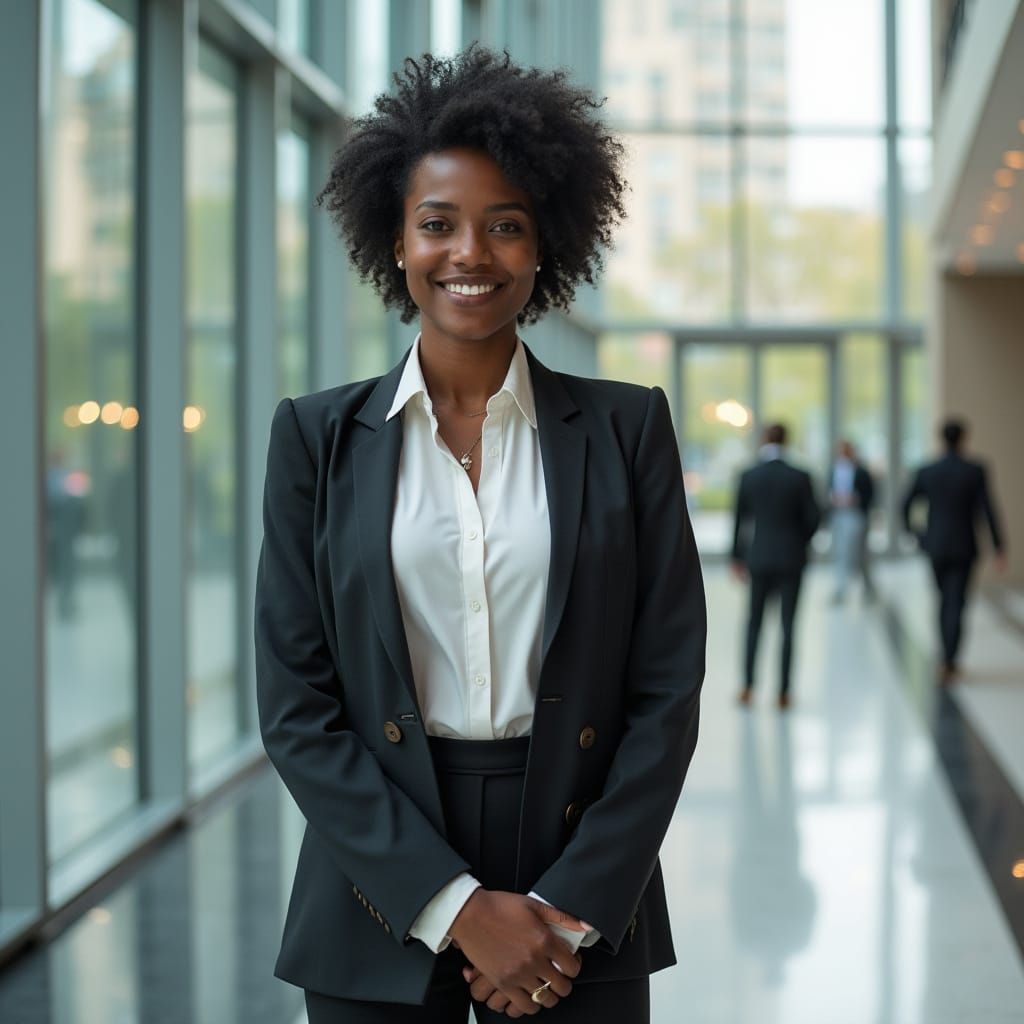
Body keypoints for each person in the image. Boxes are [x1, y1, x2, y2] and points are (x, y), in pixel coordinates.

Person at [255, 48, 706, 1023]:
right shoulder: (314, 439)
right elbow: (296, 706)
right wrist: (456, 908)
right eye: (437, 224)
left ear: (546, 245)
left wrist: (567, 911)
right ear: (396, 241)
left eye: (506, 225)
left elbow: (666, 689)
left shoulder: (627, 427)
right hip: (376, 872)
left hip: (580, 870)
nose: (471, 253)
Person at [902, 418, 1006, 683]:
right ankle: (950, 659)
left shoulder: (928, 470)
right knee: (956, 602)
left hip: (936, 545)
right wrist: (999, 546)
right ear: (963, 438)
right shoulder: (974, 470)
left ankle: (945, 657)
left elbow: (905, 505)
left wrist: (917, 536)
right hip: (964, 546)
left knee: (943, 600)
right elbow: (988, 509)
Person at [730, 423, 820, 709]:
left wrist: (737, 557)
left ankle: (748, 686)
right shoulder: (800, 476)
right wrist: (799, 541)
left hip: (759, 557)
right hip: (792, 558)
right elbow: (814, 518)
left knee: (753, 623)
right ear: (787, 440)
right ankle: (783, 692)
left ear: (764, 440)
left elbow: (739, 520)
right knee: (788, 625)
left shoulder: (749, 475)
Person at [827, 439, 875, 604]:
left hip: (855, 516)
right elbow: (829, 489)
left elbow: (870, 494)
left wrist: (856, 500)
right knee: (841, 552)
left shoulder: (861, 471)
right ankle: (841, 588)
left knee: (858, 554)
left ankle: (867, 587)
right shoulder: (834, 469)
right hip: (838, 515)